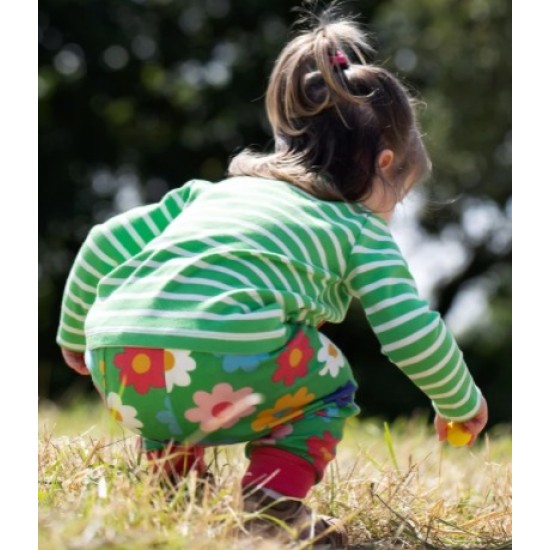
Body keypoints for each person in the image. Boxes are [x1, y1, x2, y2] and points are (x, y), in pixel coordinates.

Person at [57, 10, 488, 549]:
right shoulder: (356, 228)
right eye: (396, 198)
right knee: (329, 379)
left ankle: (173, 486)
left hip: (119, 366)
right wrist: (459, 400)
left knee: (182, 340)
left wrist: (74, 336)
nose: (390, 215)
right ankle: (273, 504)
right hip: (215, 362)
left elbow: (102, 242)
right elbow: (408, 331)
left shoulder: (210, 193)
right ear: (384, 163)